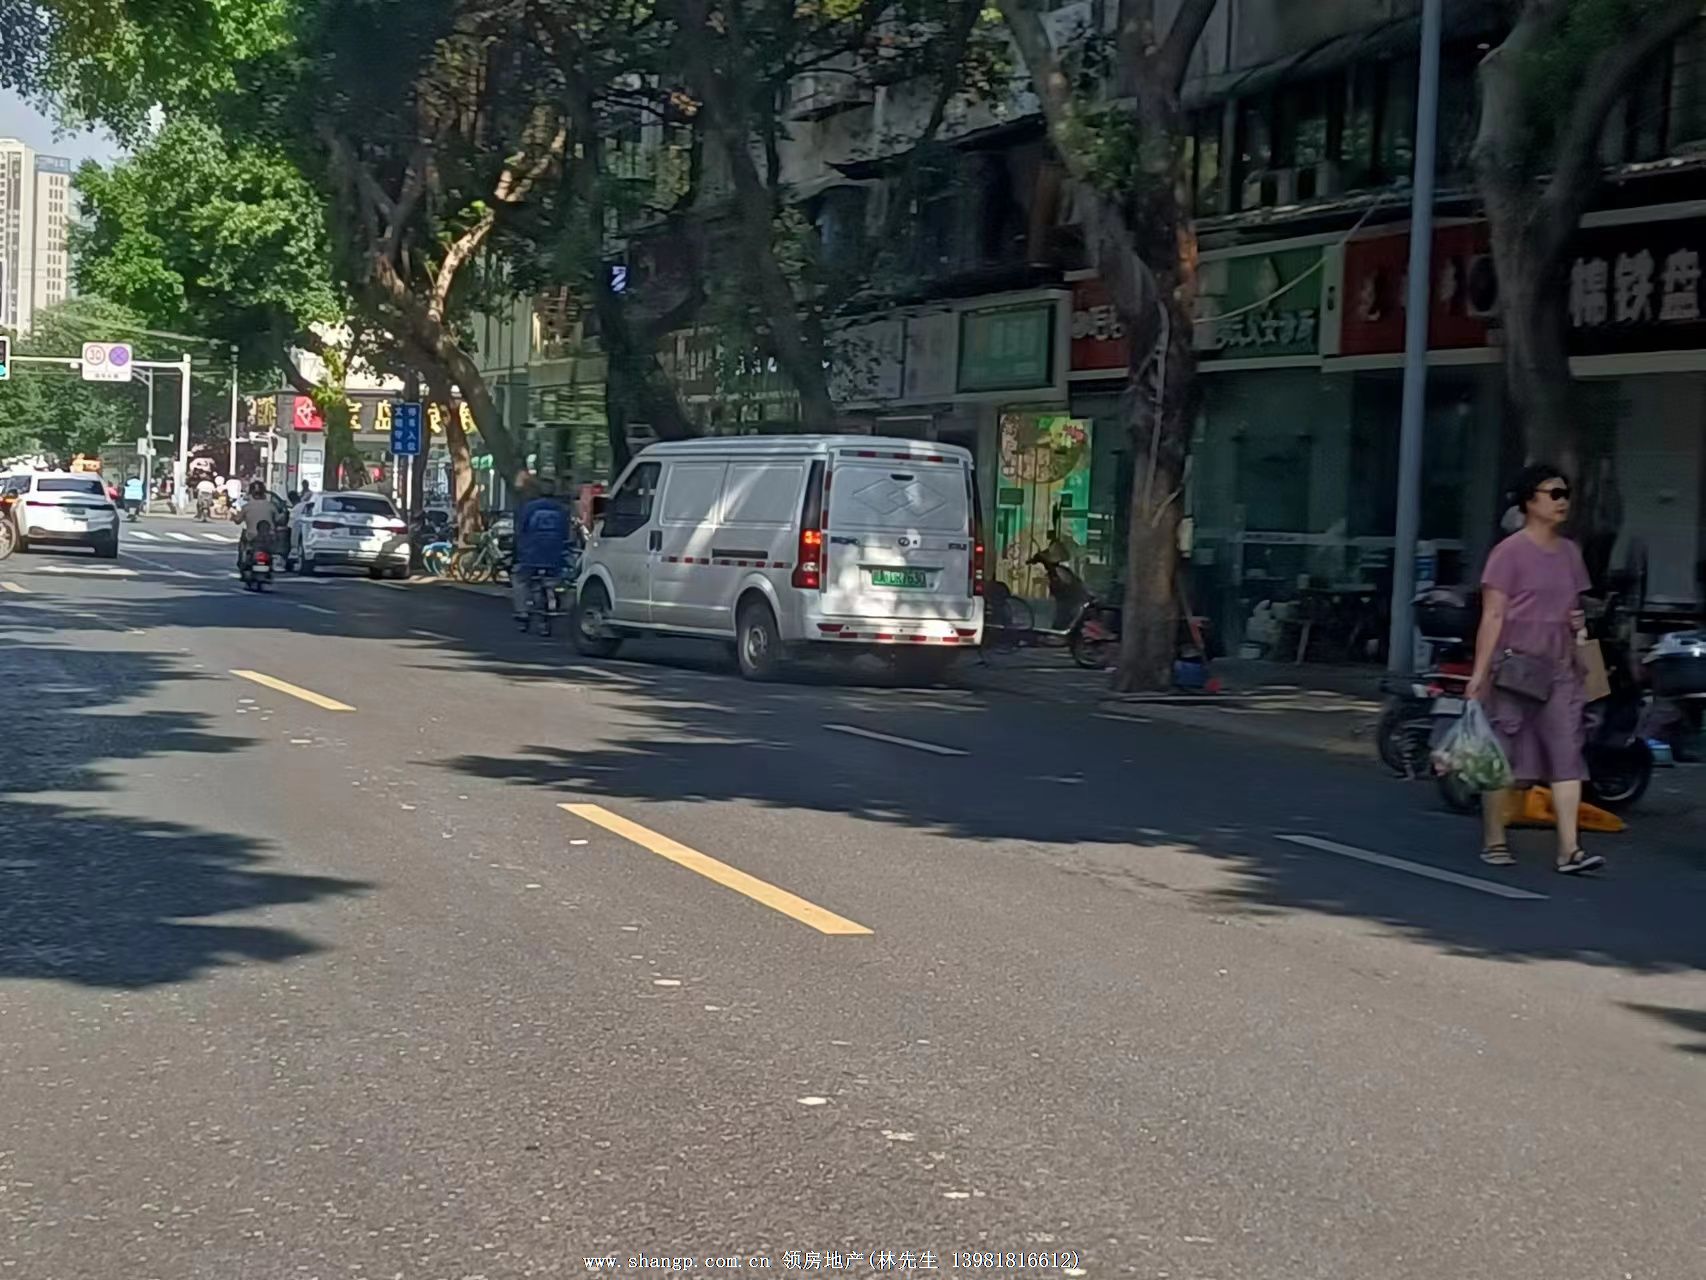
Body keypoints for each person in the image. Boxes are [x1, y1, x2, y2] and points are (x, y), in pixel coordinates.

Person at [1466, 464, 1604, 875]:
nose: (1562, 501)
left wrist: (1580, 629)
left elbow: (1574, 608)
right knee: (1503, 756)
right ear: (1529, 500)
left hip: (1561, 666)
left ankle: (1570, 849)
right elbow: (1493, 616)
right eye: (1553, 494)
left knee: (1567, 754)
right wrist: (1479, 673)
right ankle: (1494, 841)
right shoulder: (1508, 553)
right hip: (1515, 666)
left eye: (1566, 494)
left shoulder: (1570, 553)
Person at [512, 477, 570, 623]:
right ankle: (557, 599)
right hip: (555, 555)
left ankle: (522, 612)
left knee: (520, 579)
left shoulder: (529, 507)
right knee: (558, 579)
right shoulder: (562, 509)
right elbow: (566, 533)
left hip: (531, 554)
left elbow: (520, 530)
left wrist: (517, 550)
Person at [233, 479, 275, 571]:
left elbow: (237, 520)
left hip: (252, 537)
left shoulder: (246, 507)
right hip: (269, 538)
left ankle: (242, 560)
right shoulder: (271, 506)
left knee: (243, 539)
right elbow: (279, 519)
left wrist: (233, 515)